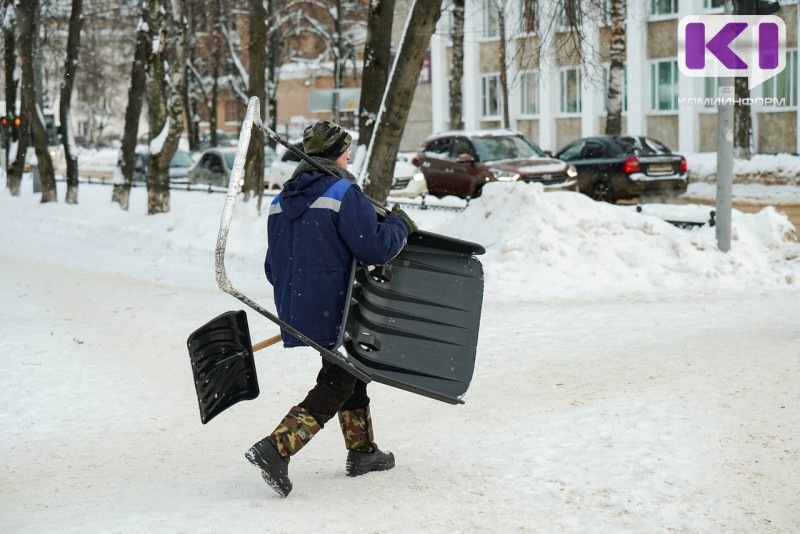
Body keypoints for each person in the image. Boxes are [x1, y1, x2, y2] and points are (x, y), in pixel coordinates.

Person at [245, 120, 417, 497]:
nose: (349, 156)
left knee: (350, 368)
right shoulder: (343, 191)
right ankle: (276, 448)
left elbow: (272, 267)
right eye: (345, 150)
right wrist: (400, 225)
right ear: (334, 154)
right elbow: (373, 248)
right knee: (339, 378)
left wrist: (302, 296)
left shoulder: (279, 201)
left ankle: (362, 452)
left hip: (299, 305)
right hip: (338, 304)